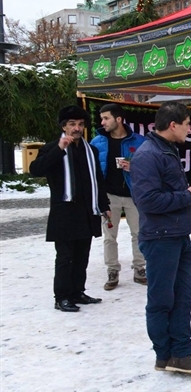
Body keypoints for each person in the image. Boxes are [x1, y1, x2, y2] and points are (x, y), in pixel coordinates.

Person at [130, 102, 191, 376]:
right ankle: (165, 355)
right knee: (162, 299)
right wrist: (188, 196)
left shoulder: (166, 150)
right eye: (187, 123)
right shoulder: (148, 155)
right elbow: (148, 201)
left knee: (184, 295)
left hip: (177, 235)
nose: (190, 128)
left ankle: (182, 353)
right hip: (160, 238)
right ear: (173, 125)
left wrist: (187, 194)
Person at [30, 105, 110, 313]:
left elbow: (98, 181)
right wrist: (59, 149)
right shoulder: (51, 148)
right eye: (72, 124)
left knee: (82, 255)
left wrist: (104, 205)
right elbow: (35, 170)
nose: (77, 128)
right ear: (64, 126)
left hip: (86, 212)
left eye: (80, 124)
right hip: (64, 214)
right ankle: (62, 297)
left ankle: (77, 292)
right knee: (65, 257)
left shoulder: (90, 150)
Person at [90, 103, 147, 290]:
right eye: (101, 118)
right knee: (109, 236)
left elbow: (150, 168)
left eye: (106, 118)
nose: (102, 122)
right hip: (108, 197)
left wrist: (135, 168)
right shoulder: (97, 142)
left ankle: (140, 268)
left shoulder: (139, 141)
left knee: (138, 233)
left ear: (119, 119)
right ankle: (112, 270)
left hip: (133, 195)